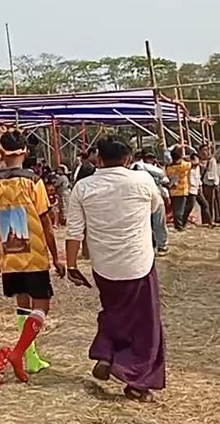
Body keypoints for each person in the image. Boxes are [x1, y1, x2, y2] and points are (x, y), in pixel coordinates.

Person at [66, 136, 165, 402]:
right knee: (145, 324)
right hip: (138, 263)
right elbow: (156, 206)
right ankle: (137, 382)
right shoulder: (142, 181)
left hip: (104, 265)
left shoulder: (83, 187)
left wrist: (71, 265)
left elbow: (74, 231)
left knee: (114, 311)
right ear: (129, 158)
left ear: (98, 159)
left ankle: (107, 354)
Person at [0, 131, 64, 382]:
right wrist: (55, 256)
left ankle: (32, 358)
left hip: (8, 254)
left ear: (1, 153)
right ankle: (20, 353)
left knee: (22, 303)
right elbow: (45, 220)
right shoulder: (33, 180)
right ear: (25, 152)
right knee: (42, 305)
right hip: (35, 253)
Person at [132, 151, 171, 255]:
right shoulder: (138, 166)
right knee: (155, 224)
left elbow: (162, 176)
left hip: (149, 197)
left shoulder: (141, 167)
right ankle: (158, 246)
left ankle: (160, 245)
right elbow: (161, 175)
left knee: (156, 224)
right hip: (148, 198)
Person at [166, 147, 193, 231]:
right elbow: (194, 161)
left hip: (173, 190)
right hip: (182, 190)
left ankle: (178, 225)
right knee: (180, 211)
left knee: (176, 210)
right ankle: (179, 226)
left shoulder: (169, 168)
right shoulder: (184, 166)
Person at [188, 154, 213, 227]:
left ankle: (210, 222)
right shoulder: (188, 168)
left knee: (205, 204)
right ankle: (182, 223)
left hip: (197, 189)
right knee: (189, 207)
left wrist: (200, 186)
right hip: (191, 190)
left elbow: (198, 178)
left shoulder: (197, 168)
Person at [200, 144, 219, 225]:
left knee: (216, 202)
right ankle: (208, 220)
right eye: (203, 150)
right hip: (206, 184)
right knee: (207, 203)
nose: (205, 152)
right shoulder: (199, 161)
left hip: (214, 183)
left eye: (206, 150)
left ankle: (217, 218)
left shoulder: (212, 160)